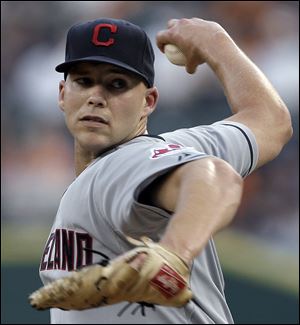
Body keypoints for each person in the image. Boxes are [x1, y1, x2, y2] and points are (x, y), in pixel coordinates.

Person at [36, 17, 292, 324]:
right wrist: (215, 42)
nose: (96, 97)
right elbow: (270, 120)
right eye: (84, 81)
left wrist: (172, 255)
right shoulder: (185, 146)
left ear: (149, 101)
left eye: (116, 84)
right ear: (63, 94)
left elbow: (216, 178)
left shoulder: (120, 165)